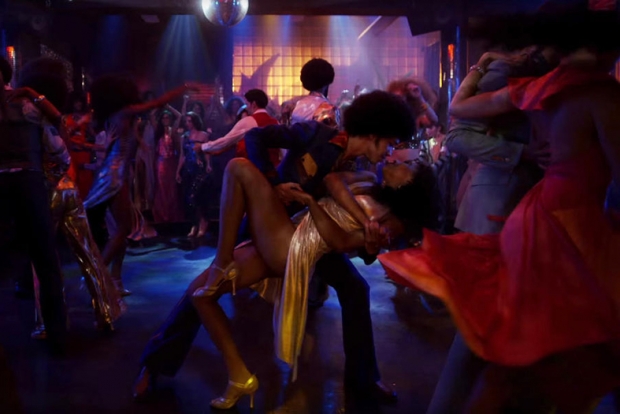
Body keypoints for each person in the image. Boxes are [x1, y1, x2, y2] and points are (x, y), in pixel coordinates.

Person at [380, 5, 620, 411]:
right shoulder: (602, 92)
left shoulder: (538, 87)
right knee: (546, 339)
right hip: (572, 220)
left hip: (533, 213)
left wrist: (482, 65)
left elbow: (459, 109)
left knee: (498, 326)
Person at [133, 90, 417, 405]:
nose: (390, 151)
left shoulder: (361, 169)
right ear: (374, 134)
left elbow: (353, 232)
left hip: (311, 237)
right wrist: (273, 183)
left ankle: (364, 380)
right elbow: (255, 136)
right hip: (269, 223)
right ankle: (154, 363)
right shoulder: (315, 133)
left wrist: (370, 247)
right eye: (390, 142)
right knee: (205, 286)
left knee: (356, 289)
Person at [424, 45, 556, 414]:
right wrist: (520, 153)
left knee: (496, 324)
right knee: (480, 322)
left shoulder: (541, 74)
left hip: (520, 205)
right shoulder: (506, 74)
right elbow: (457, 137)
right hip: (498, 206)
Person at [85, 76, 197, 296]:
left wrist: (139, 142)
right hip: (115, 174)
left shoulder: (116, 116)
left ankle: (115, 279)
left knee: (121, 231)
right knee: (123, 229)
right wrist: (183, 87)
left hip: (117, 172)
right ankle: (95, 275)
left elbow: (122, 141)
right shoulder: (125, 112)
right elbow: (156, 103)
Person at [0, 56, 69, 351]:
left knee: (43, 257)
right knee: (44, 258)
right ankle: (56, 335)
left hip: (24, 182)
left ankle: (56, 333)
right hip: (26, 183)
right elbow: (58, 145)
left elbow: (58, 140)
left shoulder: (26, 104)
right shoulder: (26, 104)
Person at [197, 89, 280, 168]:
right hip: (273, 170)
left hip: (253, 170)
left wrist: (203, 146)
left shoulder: (249, 121)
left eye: (247, 104)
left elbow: (226, 141)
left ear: (253, 104)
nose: (246, 108)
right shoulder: (276, 122)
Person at [176, 111, 211, 237]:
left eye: (190, 121)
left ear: (195, 121)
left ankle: (203, 222)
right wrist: (178, 171)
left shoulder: (203, 135)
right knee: (188, 198)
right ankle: (194, 224)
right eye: (186, 121)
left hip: (199, 168)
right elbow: (182, 155)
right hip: (188, 168)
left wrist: (208, 164)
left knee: (198, 196)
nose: (187, 123)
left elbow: (207, 152)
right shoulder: (184, 136)